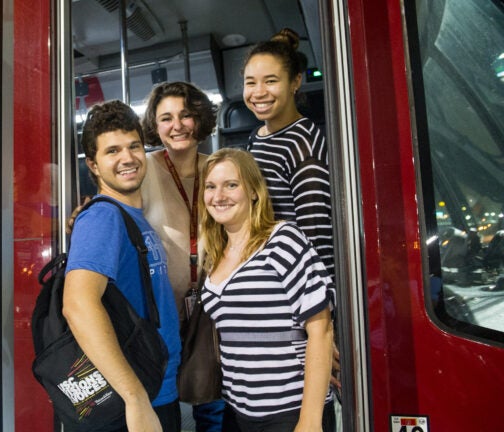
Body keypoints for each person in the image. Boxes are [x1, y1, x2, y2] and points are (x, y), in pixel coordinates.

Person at [63, 100, 181, 432]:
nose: (127, 158)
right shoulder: (103, 217)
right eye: (112, 151)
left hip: (156, 390)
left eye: (133, 147)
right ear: (94, 165)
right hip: (135, 403)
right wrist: (135, 398)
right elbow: (77, 304)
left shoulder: (134, 217)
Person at [198, 148, 335, 432]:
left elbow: (321, 329)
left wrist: (310, 421)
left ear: (254, 191)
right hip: (238, 409)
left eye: (231, 185)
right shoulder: (214, 254)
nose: (218, 196)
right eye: (211, 187)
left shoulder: (283, 240)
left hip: (290, 409)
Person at [140, 81, 225, 430]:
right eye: (166, 118)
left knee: (213, 403)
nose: (177, 125)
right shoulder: (142, 170)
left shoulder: (220, 169)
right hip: (162, 315)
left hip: (213, 311)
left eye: (186, 115)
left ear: (200, 119)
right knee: (163, 404)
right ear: (155, 126)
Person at [241, 28, 334, 276]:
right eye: (250, 82)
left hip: (298, 281)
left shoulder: (302, 142)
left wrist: (320, 305)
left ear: (295, 82)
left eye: (271, 81)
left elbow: (316, 237)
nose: (258, 92)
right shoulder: (256, 137)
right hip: (272, 268)